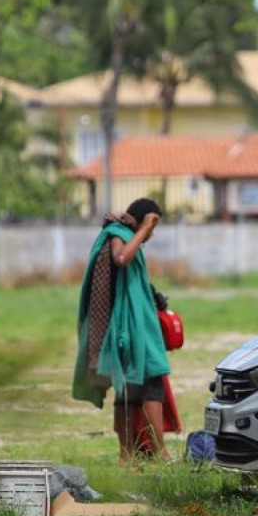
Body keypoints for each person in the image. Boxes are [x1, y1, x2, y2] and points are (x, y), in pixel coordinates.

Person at [72, 198, 172, 463]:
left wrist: (152, 296)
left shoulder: (123, 235)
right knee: (151, 383)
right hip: (127, 327)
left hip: (133, 323)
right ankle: (159, 453)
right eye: (151, 226)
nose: (151, 234)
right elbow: (121, 259)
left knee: (129, 390)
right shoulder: (119, 235)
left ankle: (126, 456)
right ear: (142, 221)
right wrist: (142, 230)